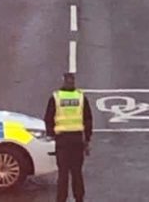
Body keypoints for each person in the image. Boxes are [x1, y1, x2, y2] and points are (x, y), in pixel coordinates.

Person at [44, 73, 93, 202]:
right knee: (77, 172)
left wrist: (52, 134)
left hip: (62, 141)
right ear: (74, 82)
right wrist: (87, 139)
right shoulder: (81, 97)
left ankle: (61, 198)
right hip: (77, 140)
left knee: (63, 173)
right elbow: (88, 119)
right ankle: (79, 198)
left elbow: (48, 118)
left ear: (63, 81)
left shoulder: (56, 97)